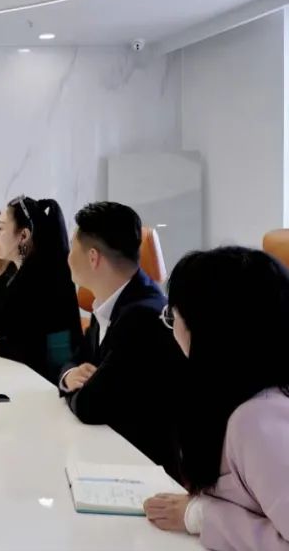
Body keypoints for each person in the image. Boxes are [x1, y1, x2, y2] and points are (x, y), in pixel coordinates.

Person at [143, 247, 289, 550]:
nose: (171, 325)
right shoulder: (235, 398)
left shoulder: (259, 421)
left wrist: (201, 516)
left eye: (173, 315)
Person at [61, 202, 186, 474]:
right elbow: (75, 361)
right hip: (107, 449)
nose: (68, 258)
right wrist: (70, 377)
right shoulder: (107, 302)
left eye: (72, 248)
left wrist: (74, 391)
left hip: (142, 468)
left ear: (93, 257)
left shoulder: (143, 316)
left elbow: (90, 406)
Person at [0, 196, 81, 383]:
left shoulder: (45, 279)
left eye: (1, 228)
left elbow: (46, 352)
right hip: (28, 378)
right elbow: (9, 330)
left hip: (48, 385)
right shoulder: (25, 275)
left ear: (24, 236)